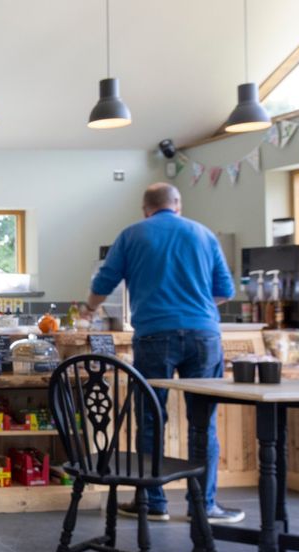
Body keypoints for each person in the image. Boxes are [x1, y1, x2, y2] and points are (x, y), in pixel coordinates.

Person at [86, 182, 243, 524]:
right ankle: (205, 505)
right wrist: (195, 308)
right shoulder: (202, 234)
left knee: (150, 418)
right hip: (204, 336)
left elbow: (104, 282)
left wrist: (89, 309)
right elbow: (225, 290)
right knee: (203, 423)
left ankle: (153, 503)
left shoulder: (132, 235)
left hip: (154, 335)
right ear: (178, 204)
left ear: (145, 209)